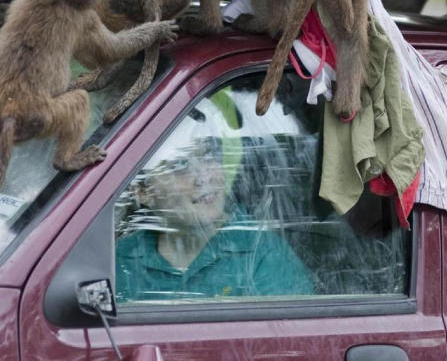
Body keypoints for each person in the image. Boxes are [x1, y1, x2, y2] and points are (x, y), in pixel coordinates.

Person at [115, 97, 315, 302]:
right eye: (180, 166)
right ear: (142, 191)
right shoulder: (120, 261)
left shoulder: (259, 252)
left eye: (209, 156)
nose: (203, 177)